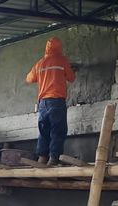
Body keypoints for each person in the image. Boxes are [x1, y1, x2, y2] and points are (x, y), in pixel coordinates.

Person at [26, 37, 76, 165]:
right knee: (57, 130)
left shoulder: (40, 63)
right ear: (59, 48)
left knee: (44, 131)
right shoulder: (62, 61)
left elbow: (29, 79)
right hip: (57, 101)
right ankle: (53, 159)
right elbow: (71, 78)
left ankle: (42, 158)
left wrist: (43, 76)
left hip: (43, 103)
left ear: (46, 48)